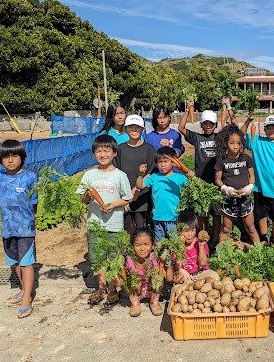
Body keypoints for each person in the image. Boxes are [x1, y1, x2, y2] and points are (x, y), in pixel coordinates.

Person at [77, 134, 134, 305]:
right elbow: (83, 200)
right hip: (95, 224)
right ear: (94, 153)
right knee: (97, 259)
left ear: (114, 153)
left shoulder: (120, 175)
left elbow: (128, 198)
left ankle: (112, 290)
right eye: (99, 151)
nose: (103, 154)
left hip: (114, 224)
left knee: (114, 257)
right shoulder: (89, 175)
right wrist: (88, 195)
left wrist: (112, 204)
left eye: (107, 150)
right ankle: (100, 288)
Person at [0, 139, 38, 318]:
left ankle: (27, 297)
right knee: (14, 262)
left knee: (26, 262)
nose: (10, 160)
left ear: (22, 157)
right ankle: (23, 288)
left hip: (25, 229)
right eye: (6, 157)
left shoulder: (30, 177)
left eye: (14, 156)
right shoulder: (0, 177)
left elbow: (34, 203)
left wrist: (29, 220)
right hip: (7, 228)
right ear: (0, 159)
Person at [241, 114, 274, 248]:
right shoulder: (257, 141)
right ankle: (264, 238)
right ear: (264, 129)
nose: (271, 130)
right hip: (260, 188)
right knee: (261, 215)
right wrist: (248, 121)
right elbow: (240, 135)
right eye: (268, 128)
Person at [178, 107, 222, 238]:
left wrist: (227, 108)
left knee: (217, 214)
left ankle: (215, 240)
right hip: (200, 182)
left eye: (211, 123)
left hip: (217, 182)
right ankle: (203, 239)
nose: (208, 126)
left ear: (216, 125)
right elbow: (181, 128)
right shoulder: (197, 138)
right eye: (206, 123)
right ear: (201, 124)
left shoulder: (220, 138)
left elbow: (234, 129)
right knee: (202, 214)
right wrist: (187, 109)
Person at [135, 146, 192, 245]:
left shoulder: (179, 178)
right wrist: (140, 174)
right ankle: (160, 260)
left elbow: (193, 182)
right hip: (158, 217)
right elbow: (139, 185)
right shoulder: (154, 177)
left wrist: (186, 171)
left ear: (173, 162)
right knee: (159, 243)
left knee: (175, 244)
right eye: (160, 162)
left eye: (165, 161)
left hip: (174, 218)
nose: (162, 165)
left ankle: (175, 260)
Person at [214, 125, 260, 243]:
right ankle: (221, 255)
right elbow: (218, 179)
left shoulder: (246, 158)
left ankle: (259, 252)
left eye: (238, 143)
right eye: (232, 143)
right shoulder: (221, 161)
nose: (235, 146)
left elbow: (252, 176)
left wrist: (250, 187)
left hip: (245, 198)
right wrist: (226, 189)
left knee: (251, 228)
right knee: (226, 229)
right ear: (225, 143)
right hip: (229, 199)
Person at [115, 114, 157, 235]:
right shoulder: (120, 149)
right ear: (125, 129)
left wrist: (136, 190)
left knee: (141, 229)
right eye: (131, 127)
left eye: (137, 127)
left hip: (143, 197)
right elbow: (116, 172)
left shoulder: (149, 149)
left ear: (142, 129)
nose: (134, 130)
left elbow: (151, 172)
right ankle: (127, 253)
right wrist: (125, 195)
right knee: (127, 228)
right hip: (124, 198)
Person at [165, 211, 218, 284]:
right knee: (180, 274)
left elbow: (202, 263)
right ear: (179, 231)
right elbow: (178, 268)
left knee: (213, 275)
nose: (190, 234)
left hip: (200, 274)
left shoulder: (200, 242)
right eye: (186, 231)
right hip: (186, 276)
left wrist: (201, 246)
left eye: (193, 230)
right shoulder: (176, 245)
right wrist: (179, 248)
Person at [125, 227, 163, 317]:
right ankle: (135, 303)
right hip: (136, 288)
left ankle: (154, 302)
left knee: (159, 279)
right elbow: (129, 276)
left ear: (153, 245)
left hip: (149, 287)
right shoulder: (130, 259)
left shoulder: (153, 257)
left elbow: (157, 273)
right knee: (126, 281)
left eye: (146, 244)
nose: (142, 248)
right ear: (132, 246)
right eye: (138, 245)